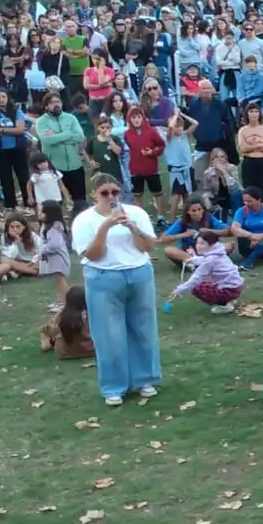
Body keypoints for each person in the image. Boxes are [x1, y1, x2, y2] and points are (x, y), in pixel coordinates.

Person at [72, 171, 162, 407]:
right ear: (94, 194)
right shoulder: (84, 220)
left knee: (143, 328)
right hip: (103, 276)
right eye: (105, 193)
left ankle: (145, 379)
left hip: (138, 272)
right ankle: (114, 387)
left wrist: (133, 228)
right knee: (109, 334)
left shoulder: (136, 213)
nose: (111, 197)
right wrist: (105, 227)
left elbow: (148, 246)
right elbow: (93, 254)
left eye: (115, 192)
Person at [168, 229, 244, 314]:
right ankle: (229, 299)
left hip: (229, 289)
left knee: (196, 288)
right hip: (236, 287)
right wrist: (192, 260)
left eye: (202, 243)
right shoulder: (218, 252)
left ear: (212, 245)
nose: (198, 246)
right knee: (205, 284)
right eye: (197, 243)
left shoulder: (210, 259)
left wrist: (179, 290)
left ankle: (223, 305)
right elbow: (205, 259)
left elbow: (196, 278)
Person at [229, 186, 263, 269]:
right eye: (244, 201)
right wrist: (251, 236)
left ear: (259, 200)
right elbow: (234, 228)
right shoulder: (241, 211)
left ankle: (249, 261)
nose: (246, 204)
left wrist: (261, 236)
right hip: (249, 244)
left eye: (250, 201)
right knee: (260, 242)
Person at [39, 285, 94, 359]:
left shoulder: (61, 316)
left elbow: (49, 330)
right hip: (91, 350)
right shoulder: (92, 314)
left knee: (46, 331)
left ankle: (47, 344)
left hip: (66, 353)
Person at [39, 200, 70, 311]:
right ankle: (60, 300)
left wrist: (44, 250)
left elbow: (55, 245)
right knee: (57, 281)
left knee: (60, 281)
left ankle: (64, 302)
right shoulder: (47, 226)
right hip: (54, 260)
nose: (39, 213)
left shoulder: (55, 227)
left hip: (58, 260)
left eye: (42, 211)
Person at [0, 213, 42, 280]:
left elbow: (41, 251)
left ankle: (20, 272)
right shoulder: (4, 237)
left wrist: (33, 261)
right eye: (12, 227)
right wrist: (15, 242)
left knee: (40, 263)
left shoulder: (32, 236)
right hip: (18, 262)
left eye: (18, 226)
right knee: (4, 260)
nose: (15, 229)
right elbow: (9, 256)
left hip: (32, 262)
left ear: (24, 227)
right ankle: (30, 272)